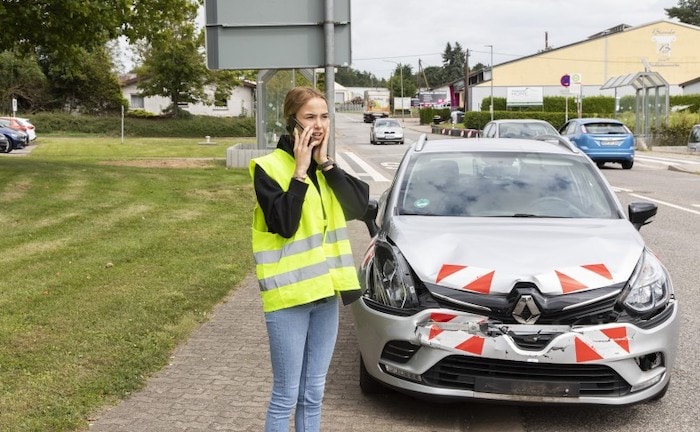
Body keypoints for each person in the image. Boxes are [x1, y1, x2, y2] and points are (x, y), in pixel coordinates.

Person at [249, 86, 369, 432]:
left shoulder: (325, 167)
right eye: (310, 117)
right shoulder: (268, 168)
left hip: (325, 297)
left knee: (313, 393)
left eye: (324, 116)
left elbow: (359, 207)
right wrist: (299, 172)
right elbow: (284, 224)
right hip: (288, 300)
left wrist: (325, 163)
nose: (318, 124)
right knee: (286, 394)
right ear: (292, 122)